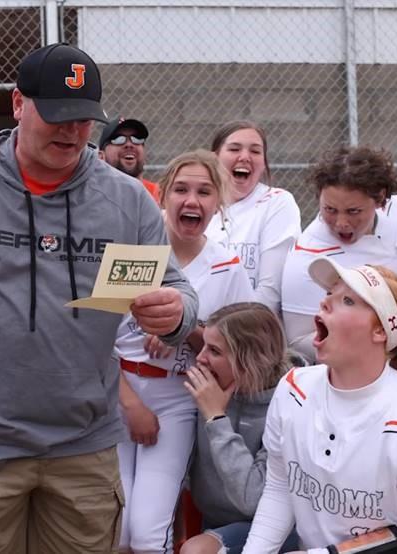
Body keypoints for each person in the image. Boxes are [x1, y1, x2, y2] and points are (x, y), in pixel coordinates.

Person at [0, 43, 199, 554]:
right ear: (18, 103)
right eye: (57, 115)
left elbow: (179, 292)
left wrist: (175, 312)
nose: (71, 132)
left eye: (83, 120)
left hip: (86, 444)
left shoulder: (125, 200)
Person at [242, 260, 397, 554]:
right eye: (330, 292)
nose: (325, 301)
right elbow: (280, 488)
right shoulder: (294, 388)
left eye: (348, 300)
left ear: (381, 330)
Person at [115, 150, 253, 553]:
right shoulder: (134, 251)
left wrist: (184, 330)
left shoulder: (228, 266)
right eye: (181, 189)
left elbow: (238, 354)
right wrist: (130, 405)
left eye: (205, 192)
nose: (191, 200)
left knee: (145, 533)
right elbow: (95, 339)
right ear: (164, 197)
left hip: (178, 398)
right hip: (118, 393)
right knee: (115, 528)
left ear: (218, 204)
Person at [179, 303, 297, 554]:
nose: (200, 359)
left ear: (250, 359)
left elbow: (251, 501)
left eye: (214, 351)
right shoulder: (211, 384)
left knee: (196, 551)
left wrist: (215, 418)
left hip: (269, 528)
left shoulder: (289, 403)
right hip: (211, 518)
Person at [281, 146, 397, 362]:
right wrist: (371, 348)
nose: (341, 223)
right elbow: (298, 342)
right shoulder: (306, 257)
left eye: (353, 211)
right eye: (329, 210)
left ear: (380, 199)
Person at [206, 121, 301, 313]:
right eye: (234, 149)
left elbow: (270, 290)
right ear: (215, 158)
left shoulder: (276, 202)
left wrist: (229, 334)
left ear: (264, 164)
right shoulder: (199, 207)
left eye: (256, 151)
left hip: (249, 332)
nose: (245, 157)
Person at [98, 117, 159, 202]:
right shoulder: (93, 197)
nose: (129, 144)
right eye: (118, 139)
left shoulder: (160, 196)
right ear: (101, 156)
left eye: (136, 139)